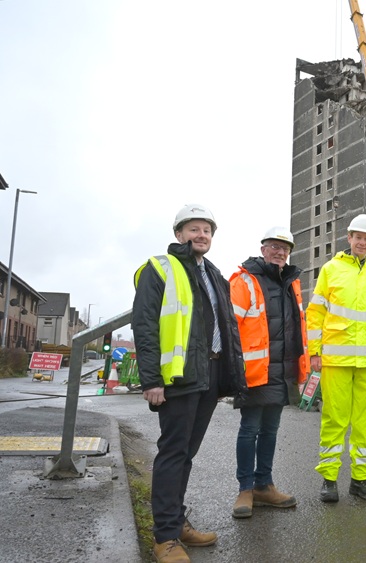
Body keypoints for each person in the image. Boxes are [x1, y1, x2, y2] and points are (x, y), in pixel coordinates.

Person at [133, 203, 246, 563]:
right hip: (178, 377)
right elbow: (145, 326)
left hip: (209, 375)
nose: (201, 235)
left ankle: (177, 522)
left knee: (187, 454)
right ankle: (165, 537)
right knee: (173, 453)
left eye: (207, 230)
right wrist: (152, 379)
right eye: (194, 229)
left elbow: (226, 328)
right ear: (179, 233)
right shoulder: (160, 268)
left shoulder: (213, 274)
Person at [306, 213, 366, 503]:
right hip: (336, 360)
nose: (362, 242)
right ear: (349, 238)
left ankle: (360, 480)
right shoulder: (330, 269)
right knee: (334, 419)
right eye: (358, 237)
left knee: (365, 423)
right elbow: (315, 313)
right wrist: (315, 351)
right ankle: (329, 480)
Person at [228, 227, 309, 519]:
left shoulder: (290, 282)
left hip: (281, 370)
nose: (279, 252)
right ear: (263, 249)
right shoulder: (246, 280)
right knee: (249, 429)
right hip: (254, 370)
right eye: (274, 246)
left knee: (270, 430)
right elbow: (230, 326)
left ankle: (264, 485)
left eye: (284, 248)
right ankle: (245, 489)